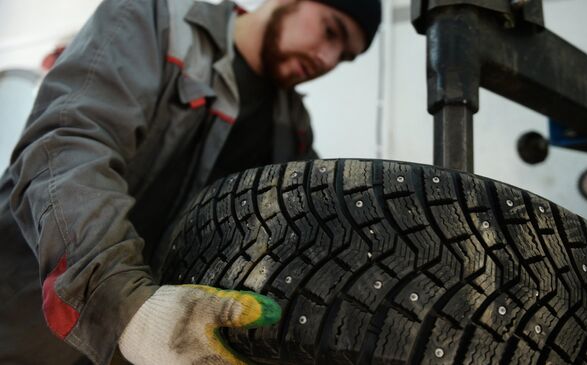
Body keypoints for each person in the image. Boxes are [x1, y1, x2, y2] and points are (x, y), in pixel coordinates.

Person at [0, 0, 381, 364]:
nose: (327, 59)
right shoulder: (157, 22)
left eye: (345, 57)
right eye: (330, 31)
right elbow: (68, 147)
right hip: (21, 320)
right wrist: (124, 301)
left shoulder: (293, 131)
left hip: (140, 349)